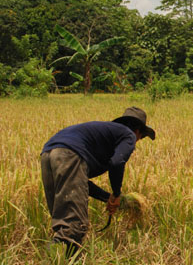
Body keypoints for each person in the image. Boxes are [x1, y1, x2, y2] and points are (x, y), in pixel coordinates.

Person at [40, 107, 155, 257]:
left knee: (63, 224)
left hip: (48, 154)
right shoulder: (128, 135)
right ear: (138, 131)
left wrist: (107, 197)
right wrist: (116, 194)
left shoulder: (106, 135)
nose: (136, 143)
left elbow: (79, 181)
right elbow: (117, 162)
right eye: (141, 137)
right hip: (68, 153)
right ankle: (51, 260)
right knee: (74, 226)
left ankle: (66, 259)